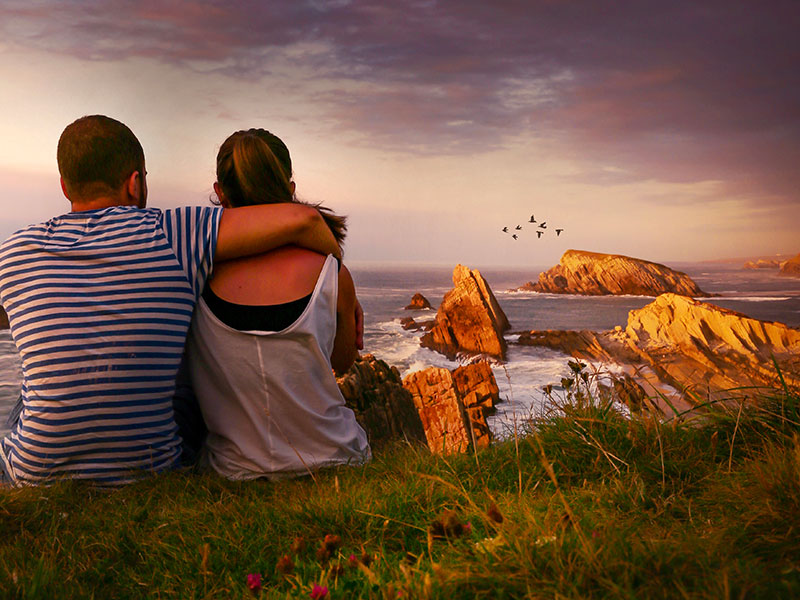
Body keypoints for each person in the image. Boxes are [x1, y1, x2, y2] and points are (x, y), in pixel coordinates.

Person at [0, 115, 345, 486]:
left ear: (66, 186)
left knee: (28, 391)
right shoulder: (174, 232)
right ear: (135, 183)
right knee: (181, 371)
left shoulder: (16, 252)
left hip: (35, 475)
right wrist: (341, 280)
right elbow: (306, 221)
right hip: (149, 470)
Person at [186, 128, 370, 480]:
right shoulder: (332, 274)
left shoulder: (194, 273)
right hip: (335, 460)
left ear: (220, 193)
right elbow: (343, 362)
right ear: (290, 189)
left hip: (233, 469)